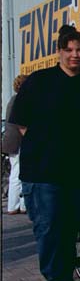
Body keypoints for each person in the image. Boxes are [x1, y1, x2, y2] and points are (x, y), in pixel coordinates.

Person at [10, 25, 80, 281]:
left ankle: (64, 278)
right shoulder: (39, 81)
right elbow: (21, 121)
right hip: (43, 171)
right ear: (59, 52)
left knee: (69, 227)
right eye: (69, 50)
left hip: (76, 172)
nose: (75, 55)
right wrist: (45, 146)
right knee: (48, 226)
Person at [3, 73, 29, 215]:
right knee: (20, 173)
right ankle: (19, 205)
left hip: (11, 142)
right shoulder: (22, 100)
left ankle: (14, 205)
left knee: (16, 173)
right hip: (19, 142)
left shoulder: (13, 100)